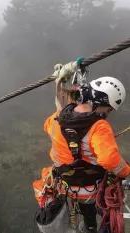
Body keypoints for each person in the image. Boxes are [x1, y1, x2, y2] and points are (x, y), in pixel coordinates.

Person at [35, 62, 130, 233]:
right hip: (91, 189)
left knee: (87, 219)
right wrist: (127, 173)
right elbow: (109, 159)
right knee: (97, 220)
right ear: (102, 102)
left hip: (64, 186)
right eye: (107, 109)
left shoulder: (58, 118)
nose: (106, 113)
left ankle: (89, 226)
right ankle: (91, 227)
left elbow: (52, 120)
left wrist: (60, 83)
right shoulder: (99, 127)